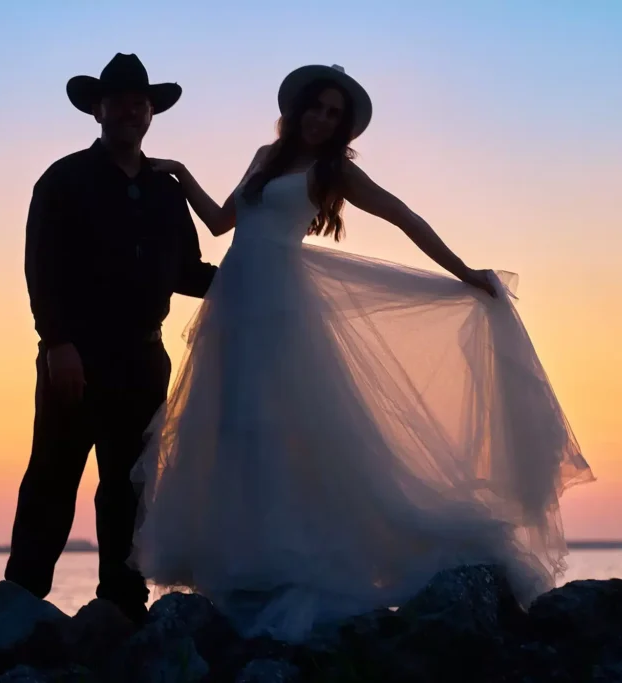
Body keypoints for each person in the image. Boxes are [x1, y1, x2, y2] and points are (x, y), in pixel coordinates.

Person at [131, 64, 595, 641]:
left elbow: (404, 216)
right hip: (232, 306)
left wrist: (464, 272)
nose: (323, 120)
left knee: (273, 430)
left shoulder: (334, 173)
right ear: (297, 109)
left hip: (279, 309)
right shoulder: (264, 157)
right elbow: (224, 224)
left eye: (335, 115)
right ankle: (243, 565)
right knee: (231, 432)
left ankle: (291, 562)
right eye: (317, 108)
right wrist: (181, 175)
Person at [4, 53, 217, 626]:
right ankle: (21, 601)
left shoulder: (166, 193)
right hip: (76, 354)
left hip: (145, 358)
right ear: (97, 110)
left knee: (129, 484)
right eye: (120, 100)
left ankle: (122, 604)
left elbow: (187, 271)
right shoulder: (64, 179)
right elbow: (40, 268)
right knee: (54, 472)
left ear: (151, 114)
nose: (131, 110)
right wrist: (57, 344)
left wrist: (257, 281)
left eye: (141, 102)